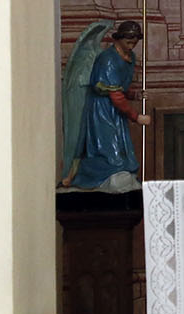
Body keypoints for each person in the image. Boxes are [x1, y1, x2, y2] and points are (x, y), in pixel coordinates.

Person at [62, 19, 149, 191]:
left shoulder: (129, 57)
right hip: (102, 110)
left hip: (116, 111)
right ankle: (92, 178)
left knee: (122, 147)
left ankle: (120, 176)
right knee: (108, 149)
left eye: (135, 42)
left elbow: (120, 88)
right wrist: (136, 117)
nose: (131, 46)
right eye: (128, 42)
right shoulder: (107, 59)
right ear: (118, 39)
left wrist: (134, 95)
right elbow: (114, 94)